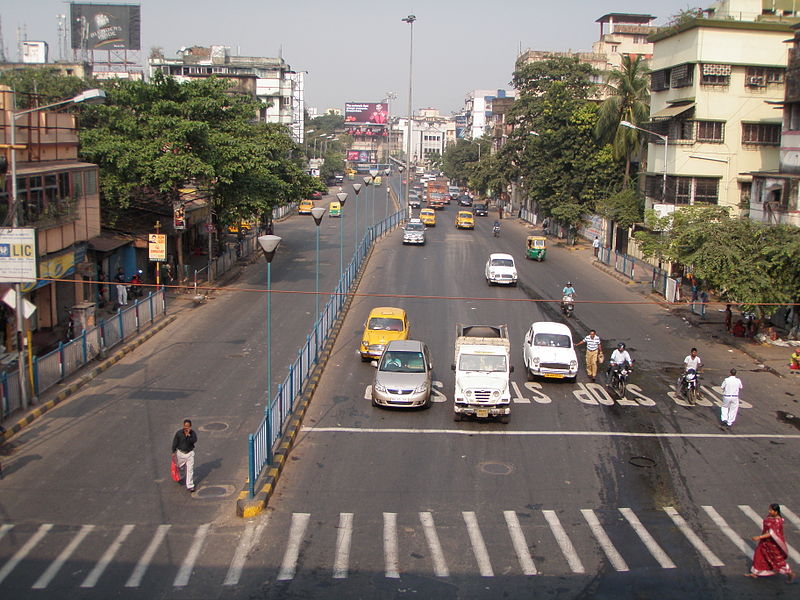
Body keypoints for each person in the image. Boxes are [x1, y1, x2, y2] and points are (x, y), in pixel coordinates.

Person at [745, 504, 795, 582]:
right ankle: (755, 572)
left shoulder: (777, 521)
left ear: (776, 512)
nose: (769, 511)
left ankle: (789, 573)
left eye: (771, 510)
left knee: (777, 561)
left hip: (773, 544)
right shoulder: (771, 516)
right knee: (759, 555)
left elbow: (771, 534)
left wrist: (759, 537)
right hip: (765, 541)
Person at [172, 419, 198, 492]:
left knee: (190, 470)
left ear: (190, 427)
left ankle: (190, 485)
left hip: (190, 454)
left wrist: (188, 436)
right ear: (183, 426)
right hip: (181, 453)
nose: (187, 428)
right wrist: (173, 451)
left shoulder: (192, 434)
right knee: (180, 467)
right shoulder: (179, 433)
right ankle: (180, 476)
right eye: (185, 427)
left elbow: (194, 440)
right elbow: (175, 442)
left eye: (188, 427)